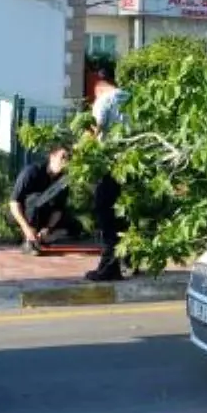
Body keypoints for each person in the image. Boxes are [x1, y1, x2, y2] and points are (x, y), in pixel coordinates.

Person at [87, 64, 129, 282]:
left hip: (110, 165)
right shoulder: (131, 97)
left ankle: (109, 267)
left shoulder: (103, 100)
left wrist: (82, 152)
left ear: (98, 85)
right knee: (124, 214)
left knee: (105, 212)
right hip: (133, 164)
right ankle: (129, 259)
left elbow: (96, 130)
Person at [8, 146, 81, 254]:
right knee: (35, 199)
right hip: (22, 212)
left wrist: (48, 228)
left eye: (69, 158)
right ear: (52, 157)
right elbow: (14, 203)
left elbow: (58, 209)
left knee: (75, 225)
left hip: (44, 213)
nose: (66, 161)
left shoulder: (63, 180)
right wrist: (26, 228)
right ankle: (29, 241)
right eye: (63, 157)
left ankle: (44, 237)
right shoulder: (31, 171)